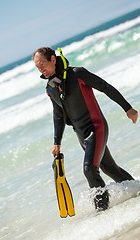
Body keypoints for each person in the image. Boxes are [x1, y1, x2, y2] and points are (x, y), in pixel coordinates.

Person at [33, 47, 138, 211]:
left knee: (89, 170)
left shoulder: (77, 73)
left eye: (43, 64)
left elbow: (105, 87)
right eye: (37, 67)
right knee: (110, 169)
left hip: (96, 127)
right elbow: (58, 115)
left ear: (53, 59)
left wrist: (128, 109)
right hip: (81, 134)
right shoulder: (51, 88)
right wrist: (56, 143)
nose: (41, 70)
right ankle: (137, 190)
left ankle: (102, 213)